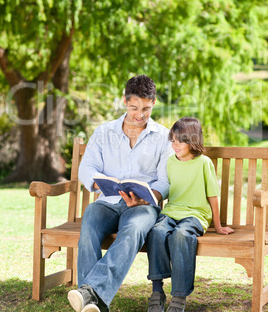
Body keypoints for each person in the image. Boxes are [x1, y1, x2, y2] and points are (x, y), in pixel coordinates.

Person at [67, 75, 173, 312]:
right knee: (90, 222)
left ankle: (88, 293)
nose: (140, 114)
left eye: (146, 108)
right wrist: (97, 184)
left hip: (142, 206)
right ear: (125, 101)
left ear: (154, 103)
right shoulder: (104, 132)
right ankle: (93, 301)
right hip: (108, 200)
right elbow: (87, 167)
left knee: (133, 230)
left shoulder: (163, 137)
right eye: (134, 107)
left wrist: (150, 196)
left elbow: (165, 181)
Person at [146, 117, 234, 312]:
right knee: (157, 232)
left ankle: (179, 296)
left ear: (192, 140)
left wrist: (217, 226)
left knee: (180, 235)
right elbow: (165, 187)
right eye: (173, 140)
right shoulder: (170, 162)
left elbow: (213, 195)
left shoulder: (204, 163)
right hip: (171, 212)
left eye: (180, 140)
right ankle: (157, 291)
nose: (175, 145)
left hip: (195, 215)